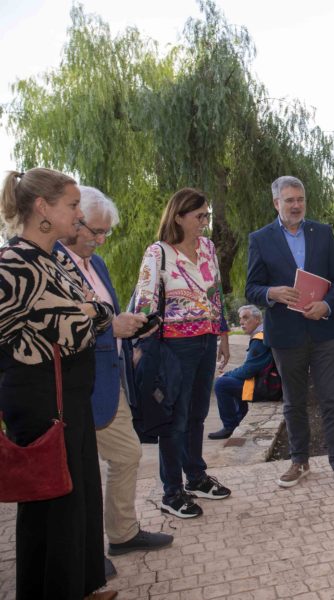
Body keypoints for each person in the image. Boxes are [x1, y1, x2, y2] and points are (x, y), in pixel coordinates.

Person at [0, 169, 117, 599]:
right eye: (71, 205)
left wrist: (84, 316)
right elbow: (85, 318)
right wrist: (82, 315)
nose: (78, 213)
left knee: (79, 494)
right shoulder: (13, 263)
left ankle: (82, 585)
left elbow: (96, 313)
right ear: (42, 209)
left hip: (70, 395)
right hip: (39, 397)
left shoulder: (52, 258)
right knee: (50, 501)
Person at [56, 186, 173, 573]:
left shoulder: (98, 264)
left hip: (109, 382)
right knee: (79, 472)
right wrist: (113, 330)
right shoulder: (53, 263)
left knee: (127, 454)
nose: (100, 239)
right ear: (74, 221)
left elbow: (106, 314)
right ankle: (86, 553)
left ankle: (122, 534)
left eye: (106, 233)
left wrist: (131, 334)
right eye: (94, 231)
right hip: (74, 385)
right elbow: (63, 327)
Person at [245, 175, 334, 496]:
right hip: (285, 335)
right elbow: (251, 289)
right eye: (289, 200)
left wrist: (327, 304)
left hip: (323, 332)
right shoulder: (260, 239)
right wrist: (272, 292)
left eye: (300, 199)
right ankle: (299, 461)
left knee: (332, 400)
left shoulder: (322, 233)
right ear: (276, 203)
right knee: (293, 403)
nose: (296, 205)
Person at [133, 188, 232, 519]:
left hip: (205, 342)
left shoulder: (207, 247)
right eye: (199, 216)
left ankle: (196, 477)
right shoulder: (158, 253)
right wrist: (140, 348)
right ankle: (171, 491)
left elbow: (215, 292)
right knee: (175, 418)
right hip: (173, 347)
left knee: (198, 413)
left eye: (207, 215)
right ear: (178, 217)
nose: (205, 221)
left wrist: (223, 335)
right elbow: (144, 302)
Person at [208, 305, 272, 440]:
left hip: (267, 387)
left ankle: (229, 426)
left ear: (257, 319)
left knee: (221, 384)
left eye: (246, 318)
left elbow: (248, 371)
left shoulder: (260, 339)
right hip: (268, 383)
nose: (241, 322)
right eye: (240, 319)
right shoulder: (264, 334)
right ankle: (239, 418)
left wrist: (227, 374)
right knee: (232, 381)